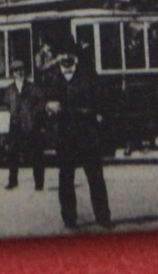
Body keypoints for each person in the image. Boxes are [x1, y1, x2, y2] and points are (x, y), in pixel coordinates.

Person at [43, 42, 111, 229]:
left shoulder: (88, 75)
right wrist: (49, 107)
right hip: (65, 135)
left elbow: (102, 98)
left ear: (75, 56)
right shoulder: (52, 77)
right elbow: (44, 100)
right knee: (65, 178)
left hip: (87, 134)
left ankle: (103, 217)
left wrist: (99, 114)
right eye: (62, 54)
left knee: (95, 177)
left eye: (69, 54)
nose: (65, 58)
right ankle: (69, 218)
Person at [4, 60, 45, 191]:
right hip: (15, 125)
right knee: (12, 154)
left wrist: (33, 116)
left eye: (21, 70)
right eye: (16, 71)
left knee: (36, 154)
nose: (20, 73)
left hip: (31, 125)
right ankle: (13, 181)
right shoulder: (10, 90)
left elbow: (40, 104)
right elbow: (7, 104)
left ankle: (39, 183)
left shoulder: (33, 87)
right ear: (13, 74)